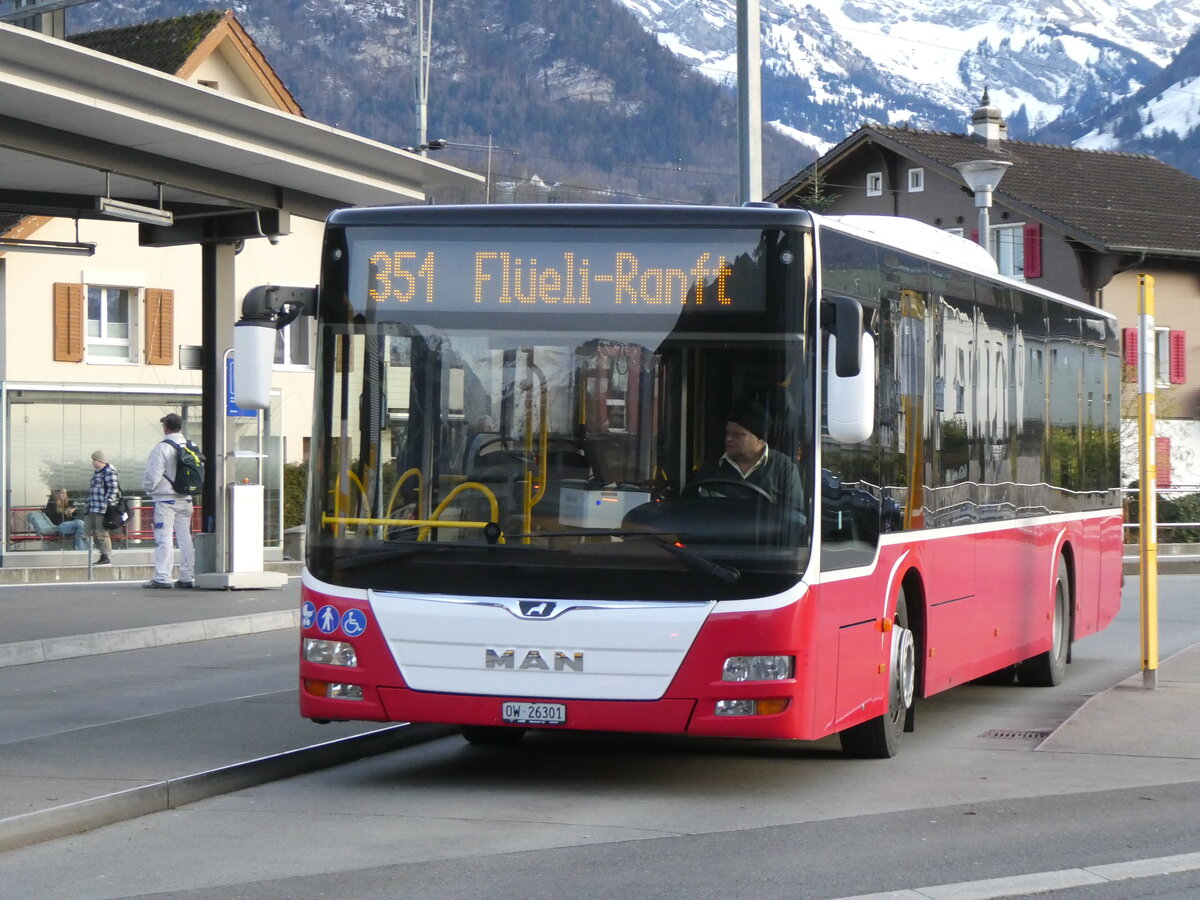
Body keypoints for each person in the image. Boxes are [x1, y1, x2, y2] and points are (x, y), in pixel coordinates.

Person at [695, 404, 804, 510]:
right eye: (727, 433)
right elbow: (694, 510)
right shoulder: (712, 467)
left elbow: (794, 518)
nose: (728, 438)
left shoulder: (784, 468)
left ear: (761, 439)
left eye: (737, 434)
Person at [142, 413, 196, 589]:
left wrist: (149, 489)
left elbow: (153, 475)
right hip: (186, 499)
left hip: (166, 500)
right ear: (180, 427)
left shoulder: (162, 448)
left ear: (165, 427)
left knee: (164, 538)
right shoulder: (191, 445)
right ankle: (187, 576)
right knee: (185, 538)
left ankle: (163, 577)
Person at [85, 450, 119, 565]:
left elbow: (113, 489)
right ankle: (103, 552)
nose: (93, 462)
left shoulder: (109, 472)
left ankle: (106, 555)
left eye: (94, 460)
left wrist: (106, 502)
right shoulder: (97, 472)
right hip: (93, 506)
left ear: (100, 460)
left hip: (102, 508)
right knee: (89, 531)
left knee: (101, 532)